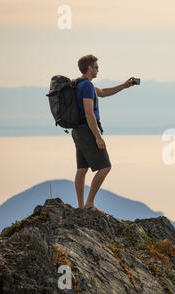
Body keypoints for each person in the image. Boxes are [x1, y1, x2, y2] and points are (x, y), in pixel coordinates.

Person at [72, 54, 135, 214]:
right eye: (96, 67)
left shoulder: (80, 84)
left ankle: (80, 206)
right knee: (105, 166)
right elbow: (89, 113)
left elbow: (103, 92)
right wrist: (97, 136)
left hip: (77, 130)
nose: (98, 70)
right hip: (87, 130)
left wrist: (124, 86)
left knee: (82, 168)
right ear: (89, 68)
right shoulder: (86, 86)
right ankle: (90, 204)